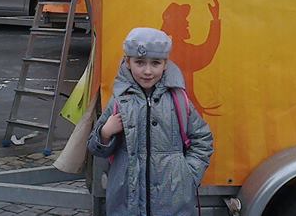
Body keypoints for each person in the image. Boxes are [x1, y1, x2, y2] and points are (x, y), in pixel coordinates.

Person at [88, 27, 214, 216]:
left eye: (155, 63)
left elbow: (202, 140)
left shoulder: (178, 100)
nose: (147, 71)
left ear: (165, 64)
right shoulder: (120, 101)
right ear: (128, 62)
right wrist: (105, 133)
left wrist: (188, 176)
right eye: (139, 62)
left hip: (173, 201)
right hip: (127, 202)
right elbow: (95, 148)